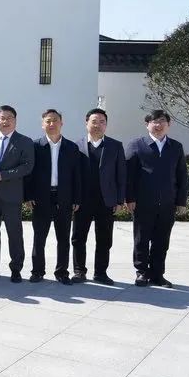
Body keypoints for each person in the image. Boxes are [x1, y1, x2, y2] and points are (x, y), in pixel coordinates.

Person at [125, 109, 188, 288]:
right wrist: (129, 198)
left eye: (162, 121)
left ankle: (157, 274)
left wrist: (181, 201)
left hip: (167, 203)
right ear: (147, 125)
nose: (158, 125)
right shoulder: (137, 145)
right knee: (141, 239)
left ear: (168, 125)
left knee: (162, 240)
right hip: (142, 202)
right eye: (154, 121)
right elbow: (129, 175)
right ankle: (141, 272)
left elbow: (182, 175)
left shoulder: (176, 147)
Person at [0, 105, 35, 282]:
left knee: (14, 233)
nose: (6, 121)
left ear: (15, 121)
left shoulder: (24, 141)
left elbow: (27, 166)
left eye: (10, 118)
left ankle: (16, 268)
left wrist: (4, 175)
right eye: (2, 118)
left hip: (11, 195)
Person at [25, 109, 83, 284]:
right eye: (48, 121)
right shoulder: (35, 146)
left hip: (64, 197)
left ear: (61, 123)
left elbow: (77, 175)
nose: (52, 124)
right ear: (42, 124)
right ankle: (37, 271)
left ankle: (62, 272)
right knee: (39, 237)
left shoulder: (71, 147)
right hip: (41, 197)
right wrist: (28, 195)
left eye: (55, 120)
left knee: (63, 238)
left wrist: (76, 198)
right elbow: (29, 174)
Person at [71, 108, 126, 285]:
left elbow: (121, 175)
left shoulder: (115, 146)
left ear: (106, 125)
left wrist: (120, 200)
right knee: (78, 238)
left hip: (106, 200)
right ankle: (79, 271)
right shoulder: (76, 146)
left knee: (104, 239)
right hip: (82, 201)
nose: (98, 125)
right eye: (94, 121)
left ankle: (101, 273)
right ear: (86, 123)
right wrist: (73, 198)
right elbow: (72, 176)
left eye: (102, 122)